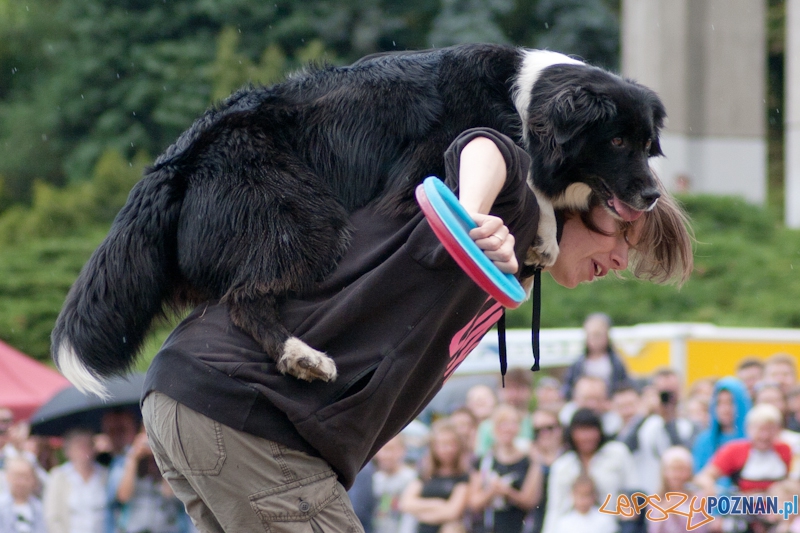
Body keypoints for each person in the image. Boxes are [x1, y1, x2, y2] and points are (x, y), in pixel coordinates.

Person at [140, 128, 694, 531]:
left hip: (205, 396)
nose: (621, 259)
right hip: (246, 410)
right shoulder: (519, 211)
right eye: (623, 232)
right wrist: (471, 214)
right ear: (581, 197)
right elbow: (485, 145)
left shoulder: (516, 261)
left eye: (634, 256)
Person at [542, 408, 638, 533]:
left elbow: (634, 490)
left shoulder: (617, 453)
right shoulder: (563, 465)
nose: (586, 437)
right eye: (581, 431)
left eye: (591, 430)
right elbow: (555, 508)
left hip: (612, 526)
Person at [468, 404, 540, 533]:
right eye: (503, 424)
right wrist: (492, 491)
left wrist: (508, 492)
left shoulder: (529, 460)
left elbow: (530, 501)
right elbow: (474, 503)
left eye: (512, 423)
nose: (507, 429)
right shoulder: (484, 460)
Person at [694, 403, 791, 495]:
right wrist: (709, 487)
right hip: (744, 508)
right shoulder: (735, 450)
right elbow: (704, 476)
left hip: (778, 508)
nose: (765, 436)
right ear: (749, 429)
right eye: (760, 429)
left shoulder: (784, 450)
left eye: (770, 429)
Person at [630, 368, 697, 495]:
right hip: (646, 495)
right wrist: (642, 414)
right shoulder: (644, 423)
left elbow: (682, 454)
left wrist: (669, 420)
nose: (666, 398)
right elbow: (624, 448)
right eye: (662, 393)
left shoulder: (689, 424)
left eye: (671, 392)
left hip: (679, 499)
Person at [399, 420, 470, 533]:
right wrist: (437, 503)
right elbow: (406, 503)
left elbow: (452, 512)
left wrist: (420, 514)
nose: (447, 449)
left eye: (451, 444)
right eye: (442, 444)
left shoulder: (462, 476)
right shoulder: (425, 474)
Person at [43, 428, 108, 533]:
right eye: (78, 446)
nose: (83, 450)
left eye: (87, 445)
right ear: (68, 451)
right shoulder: (58, 476)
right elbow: (52, 517)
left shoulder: (104, 474)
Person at [562, 313, 630, 402]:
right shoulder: (578, 363)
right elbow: (568, 387)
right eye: (591, 335)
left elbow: (623, 385)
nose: (594, 340)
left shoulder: (616, 363)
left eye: (598, 335)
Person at [691, 377, 752, 474]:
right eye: (719, 403)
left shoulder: (754, 440)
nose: (725, 409)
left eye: (731, 402)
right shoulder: (704, 441)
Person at [647, 446, 710, 533]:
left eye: (681, 469)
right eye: (672, 469)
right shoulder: (655, 499)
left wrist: (678, 516)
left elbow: (701, 529)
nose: (676, 475)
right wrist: (662, 514)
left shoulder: (699, 499)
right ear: (664, 471)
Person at [372, 435, 418, 533]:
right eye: (381, 449)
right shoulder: (375, 479)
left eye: (390, 449)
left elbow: (410, 517)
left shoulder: (411, 478)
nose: (385, 455)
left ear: (403, 451)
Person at [528, 409, 563, 533]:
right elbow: (530, 499)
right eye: (537, 431)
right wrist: (537, 462)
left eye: (549, 428)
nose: (544, 433)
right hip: (538, 523)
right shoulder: (528, 459)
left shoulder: (570, 456)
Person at [552, 474, 619, 533]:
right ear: (572, 495)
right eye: (580, 496)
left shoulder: (605, 521)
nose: (583, 501)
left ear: (594, 496)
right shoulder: (564, 523)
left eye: (587, 496)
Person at [0, 456, 47, 533]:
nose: (21, 482)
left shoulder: (40, 508)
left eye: (25, 477)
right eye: (17, 476)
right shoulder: (1, 506)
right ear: (8, 477)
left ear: (33, 479)